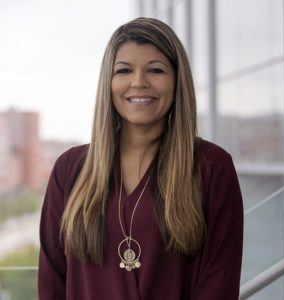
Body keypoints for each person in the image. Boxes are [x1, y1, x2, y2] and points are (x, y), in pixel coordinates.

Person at [38, 17, 243, 300]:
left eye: (155, 70)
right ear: (108, 83)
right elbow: (51, 283)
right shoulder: (69, 169)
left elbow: (219, 284)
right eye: (124, 70)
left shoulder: (212, 168)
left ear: (177, 80)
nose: (139, 82)